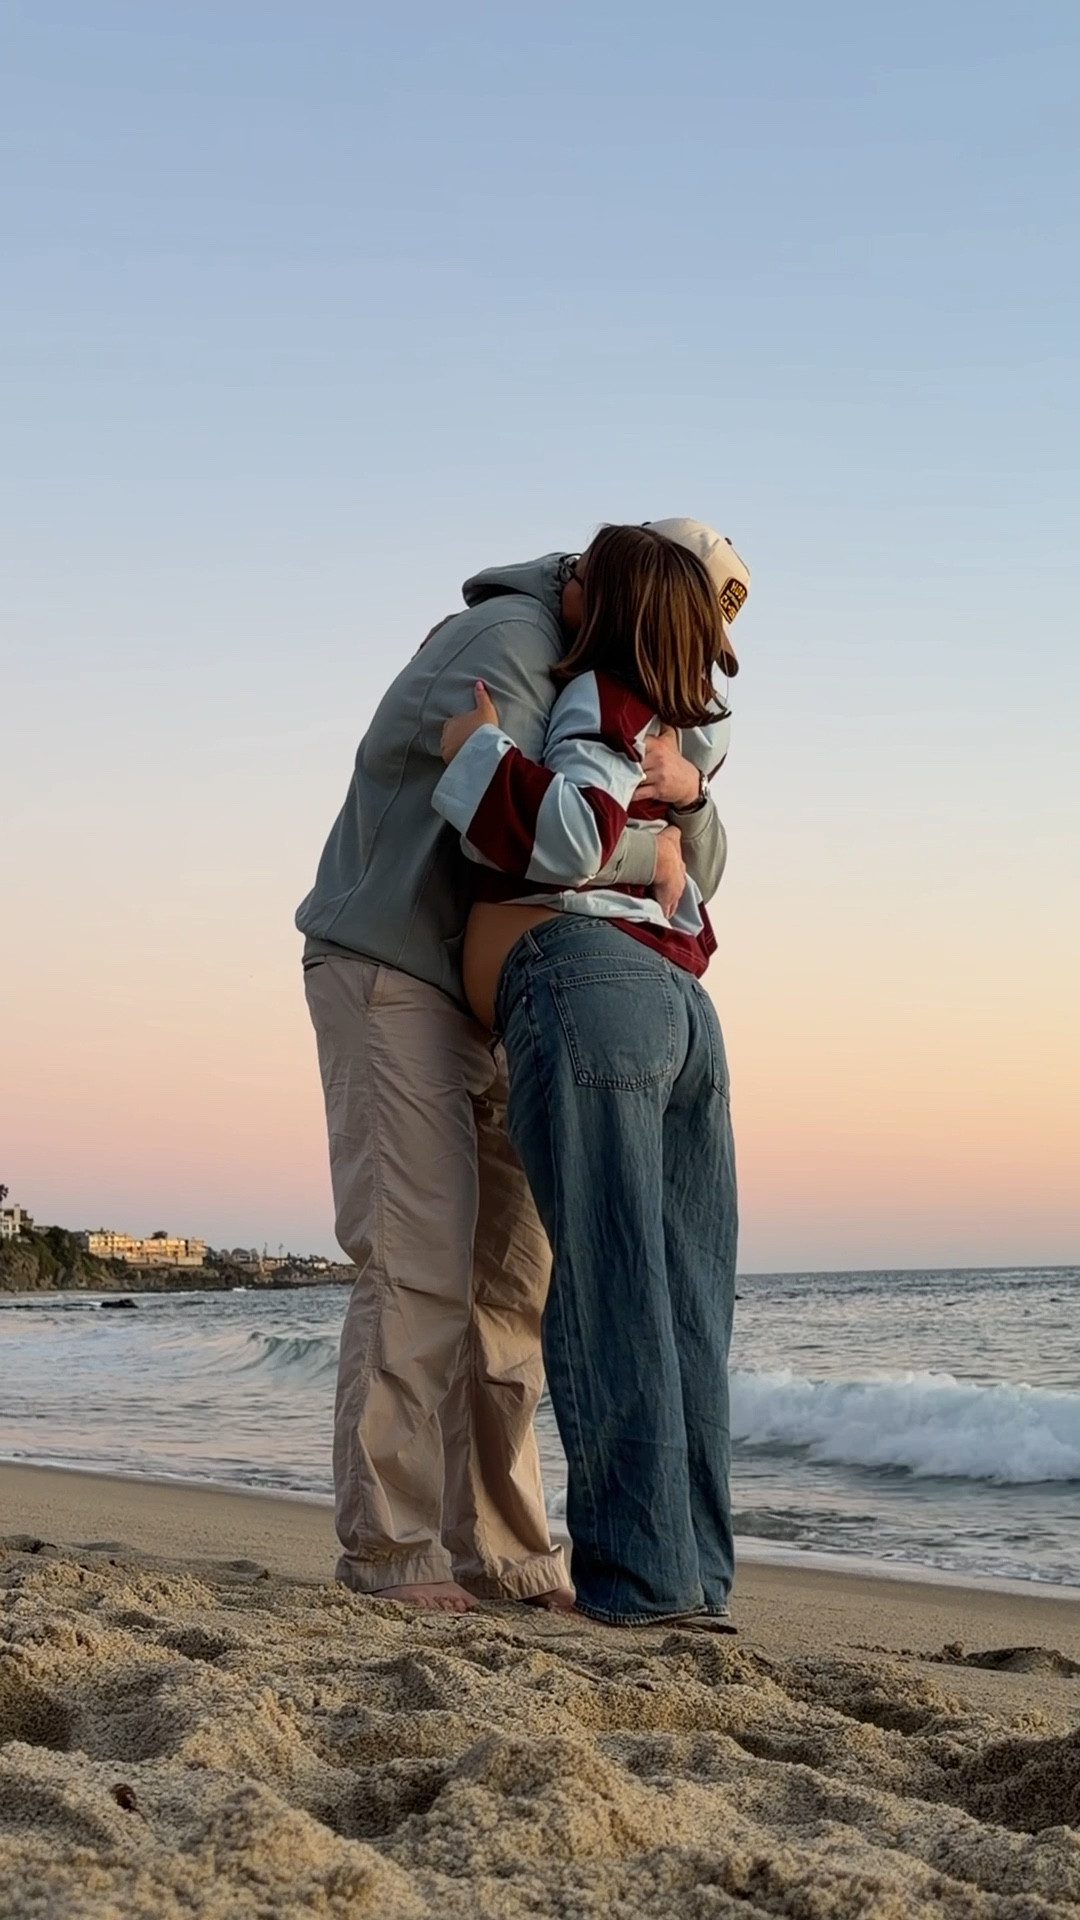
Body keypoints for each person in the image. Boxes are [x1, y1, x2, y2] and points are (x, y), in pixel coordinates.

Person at [296, 519, 746, 1612]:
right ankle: (392, 1550)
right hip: (396, 963)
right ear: (633, 589)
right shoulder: (512, 640)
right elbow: (524, 833)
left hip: (504, 994)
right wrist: (660, 842)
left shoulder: (612, 676)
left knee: (511, 1288)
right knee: (415, 1262)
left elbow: (707, 858)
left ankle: (501, 1546)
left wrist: (684, 799)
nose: (706, 650)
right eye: (702, 615)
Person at [432, 524, 744, 1627]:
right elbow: (690, 895)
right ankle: (694, 1578)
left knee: (612, 1290)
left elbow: (564, 837)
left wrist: (476, 749)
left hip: (591, 988)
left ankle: (635, 1581)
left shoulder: (601, 700)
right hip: (683, 1014)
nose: (563, 582)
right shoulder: (675, 741)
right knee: (687, 1299)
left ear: (604, 608)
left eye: (581, 575)